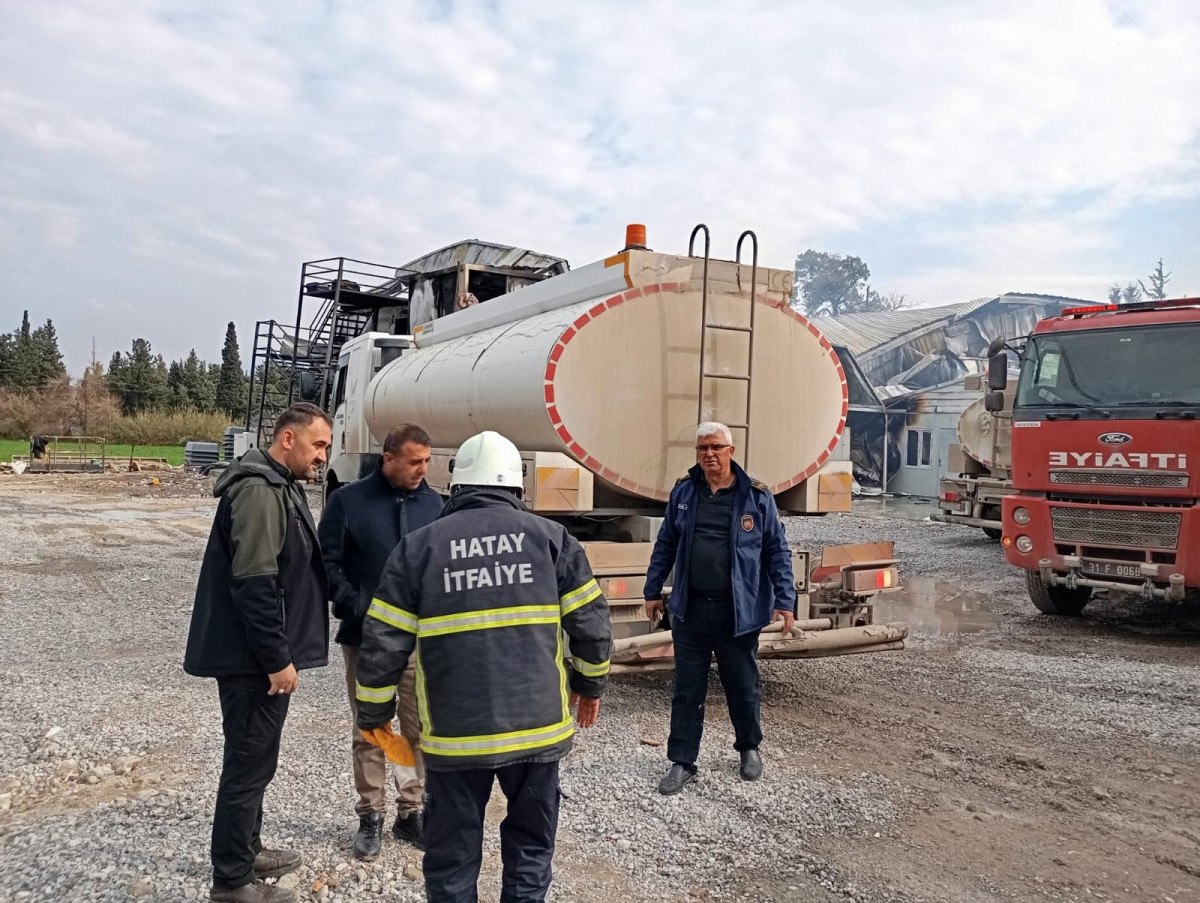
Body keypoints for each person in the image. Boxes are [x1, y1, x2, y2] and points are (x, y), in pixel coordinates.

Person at [354, 430, 612, 903]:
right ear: (517, 486)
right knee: (531, 848)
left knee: (451, 854)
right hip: (538, 732)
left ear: (456, 486)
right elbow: (592, 625)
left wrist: (373, 715)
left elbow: (382, 643)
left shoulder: (419, 548)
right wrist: (590, 686)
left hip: (456, 737)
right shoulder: (553, 540)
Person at [184, 403, 333, 903]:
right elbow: (255, 583)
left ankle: (247, 850)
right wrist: (276, 657)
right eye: (318, 445)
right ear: (287, 440)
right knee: (247, 765)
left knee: (256, 760)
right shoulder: (258, 490)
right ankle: (232, 882)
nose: (323, 456)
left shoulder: (279, 485)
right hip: (253, 662)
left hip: (257, 657)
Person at [643, 421, 796, 796]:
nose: (708, 454)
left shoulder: (756, 497)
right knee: (687, 689)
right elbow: (665, 544)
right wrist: (652, 591)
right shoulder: (684, 493)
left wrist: (785, 599)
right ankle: (682, 762)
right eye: (702, 448)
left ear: (731, 450)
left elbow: (777, 551)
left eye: (715, 447)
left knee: (743, 685)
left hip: (737, 613)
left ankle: (748, 749)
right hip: (691, 610)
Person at [318, 424, 443, 860]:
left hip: (417, 643)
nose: (422, 471)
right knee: (372, 730)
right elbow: (327, 566)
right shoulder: (347, 502)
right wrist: (361, 607)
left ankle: (411, 810)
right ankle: (370, 814)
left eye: (427, 461)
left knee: (416, 730)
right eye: (414, 462)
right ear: (388, 458)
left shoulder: (434, 504)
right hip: (366, 641)